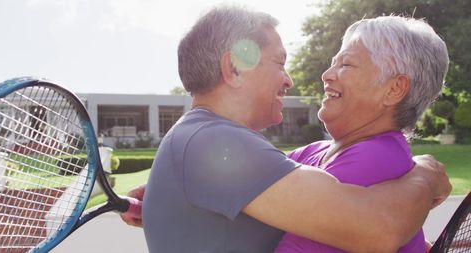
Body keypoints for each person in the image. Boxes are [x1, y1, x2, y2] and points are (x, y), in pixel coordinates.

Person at [121, 6, 451, 253]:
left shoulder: (365, 156)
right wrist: (425, 174)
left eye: (345, 64)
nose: (292, 79)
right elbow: (377, 227)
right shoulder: (212, 143)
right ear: (234, 68)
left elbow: (376, 227)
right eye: (280, 62)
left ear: (393, 89)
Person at [274, 16, 449, 253]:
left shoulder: (373, 158)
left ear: (394, 89)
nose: (326, 75)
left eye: (346, 64)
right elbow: (255, 171)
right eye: (333, 63)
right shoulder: (319, 150)